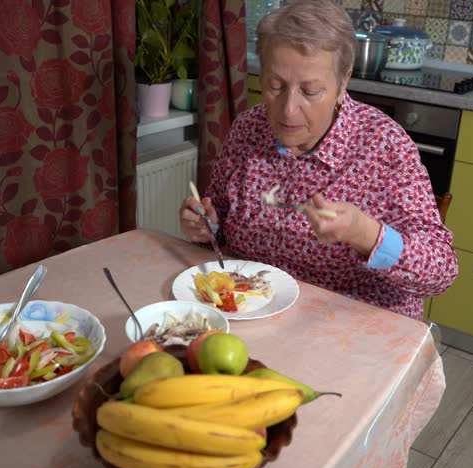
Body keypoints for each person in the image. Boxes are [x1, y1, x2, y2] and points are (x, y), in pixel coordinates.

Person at [178, 0, 457, 320]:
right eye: (274, 86)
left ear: (343, 83)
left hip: (351, 326)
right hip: (253, 311)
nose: (287, 110)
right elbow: (221, 216)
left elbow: (441, 270)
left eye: (310, 91)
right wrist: (206, 224)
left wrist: (364, 234)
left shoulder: (384, 146)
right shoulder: (248, 130)